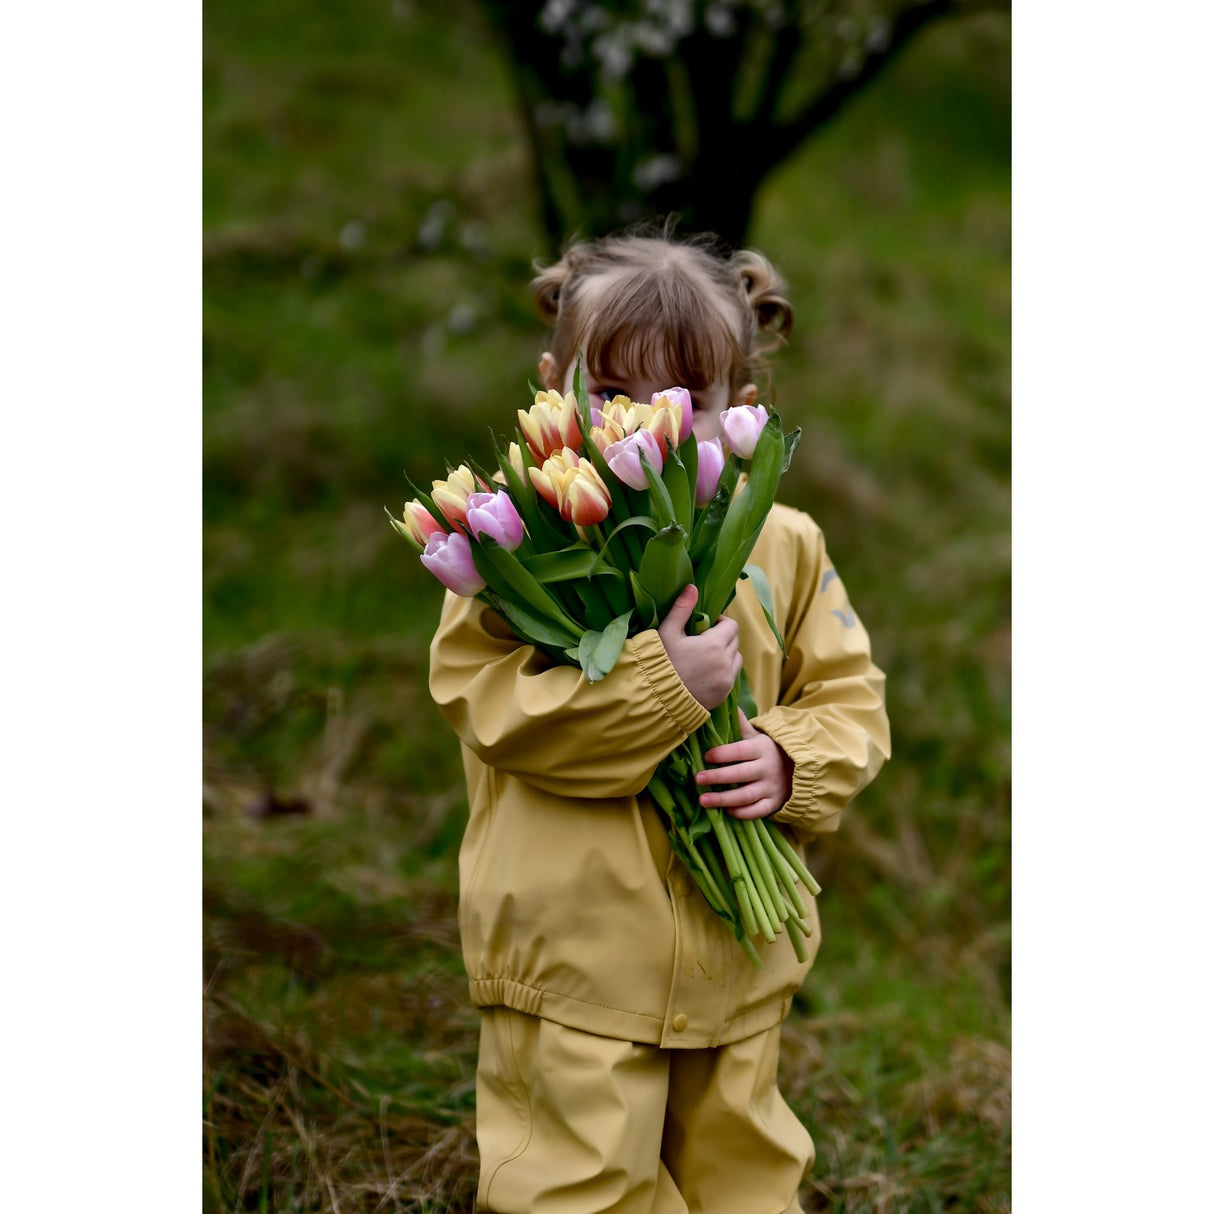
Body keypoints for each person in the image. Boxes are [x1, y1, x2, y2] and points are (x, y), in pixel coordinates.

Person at [428, 226, 891, 1214]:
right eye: (610, 392)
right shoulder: (513, 546)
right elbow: (497, 713)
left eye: (684, 397)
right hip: (574, 962)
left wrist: (790, 759)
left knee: (744, 1179)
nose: (644, 424)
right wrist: (659, 685)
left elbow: (850, 697)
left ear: (739, 407)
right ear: (552, 387)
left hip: (736, 951)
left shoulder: (783, 543)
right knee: (577, 1186)